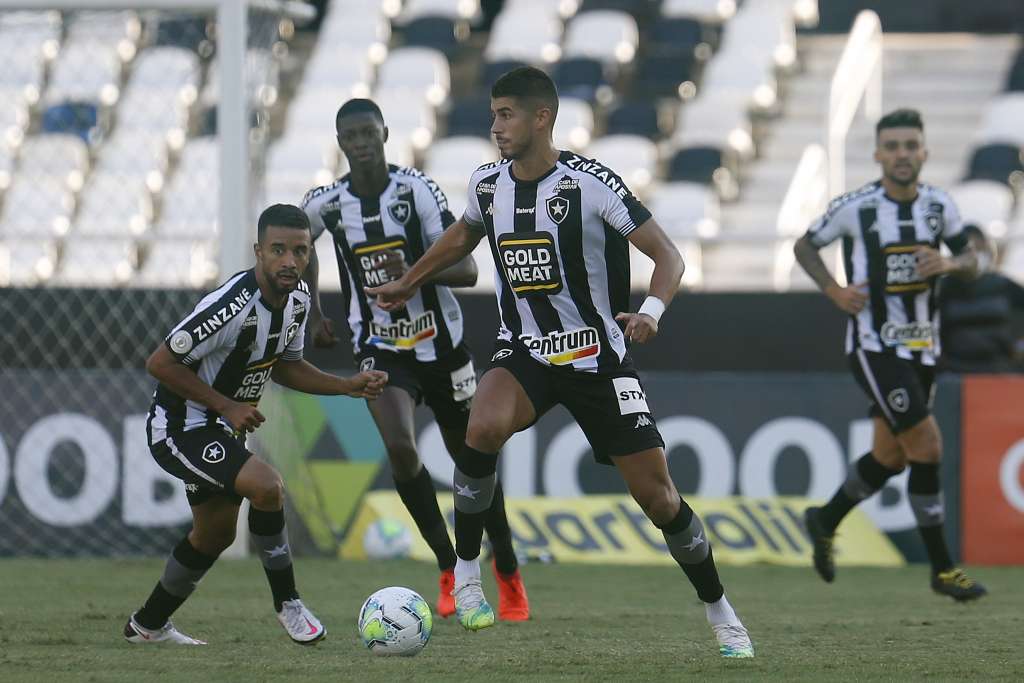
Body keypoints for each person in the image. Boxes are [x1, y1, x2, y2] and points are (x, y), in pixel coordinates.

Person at [367, 66, 754, 658]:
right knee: (482, 424)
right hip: (525, 350)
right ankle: (468, 576)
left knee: (661, 501)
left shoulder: (589, 184)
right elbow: (460, 238)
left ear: (540, 117)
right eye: (493, 114)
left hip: (598, 359)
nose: (494, 127)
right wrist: (408, 281)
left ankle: (722, 614)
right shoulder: (489, 185)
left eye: (505, 115)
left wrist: (651, 311)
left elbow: (668, 256)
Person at [301, 98, 529, 621]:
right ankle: (449, 567)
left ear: (384, 132)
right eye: (349, 137)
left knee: (473, 463)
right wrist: (313, 313)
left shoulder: (416, 191)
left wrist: (413, 276)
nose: (359, 144)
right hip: (379, 348)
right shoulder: (328, 203)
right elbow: (299, 246)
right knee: (401, 447)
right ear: (340, 144)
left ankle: (508, 572)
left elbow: (467, 271)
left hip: (441, 347)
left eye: (367, 133)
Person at [123, 204, 389, 645]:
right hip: (179, 429)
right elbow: (160, 362)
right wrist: (225, 405)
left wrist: (346, 386)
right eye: (279, 250)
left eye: (300, 251)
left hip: (223, 429)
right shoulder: (230, 306)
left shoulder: (298, 299)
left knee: (215, 535)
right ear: (259, 252)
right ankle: (289, 603)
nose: (290, 261)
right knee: (267, 486)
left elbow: (285, 366)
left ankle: (147, 626)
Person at [793, 108, 987, 601]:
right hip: (875, 346)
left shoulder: (940, 207)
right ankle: (942, 570)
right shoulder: (856, 206)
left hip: (925, 348)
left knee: (890, 455)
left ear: (925, 152)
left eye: (910, 145)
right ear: (878, 154)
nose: (902, 154)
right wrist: (834, 291)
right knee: (928, 447)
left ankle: (824, 518)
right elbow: (805, 245)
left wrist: (951, 262)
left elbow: (976, 259)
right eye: (893, 146)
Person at [939, 224, 1024, 373]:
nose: (975, 256)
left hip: (1000, 370)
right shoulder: (943, 289)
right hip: (953, 372)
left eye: (979, 249)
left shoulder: (1004, 285)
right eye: (969, 252)